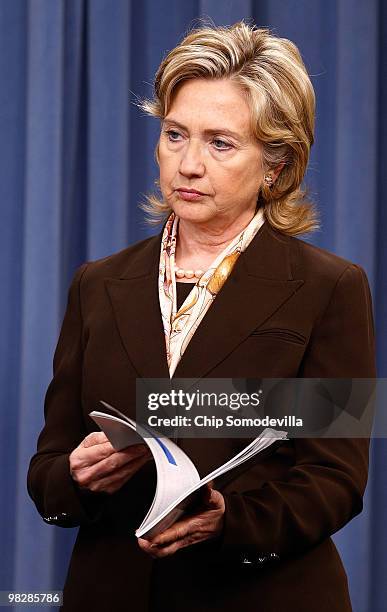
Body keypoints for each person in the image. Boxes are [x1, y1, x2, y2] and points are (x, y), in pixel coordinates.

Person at [27, 21, 376, 612]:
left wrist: (229, 521)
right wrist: (76, 477)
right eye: (174, 135)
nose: (188, 165)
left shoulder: (331, 288)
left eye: (220, 143)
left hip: (261, 596)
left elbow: (336, 478)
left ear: (275, 164)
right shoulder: (97, 283)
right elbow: (48, 471)